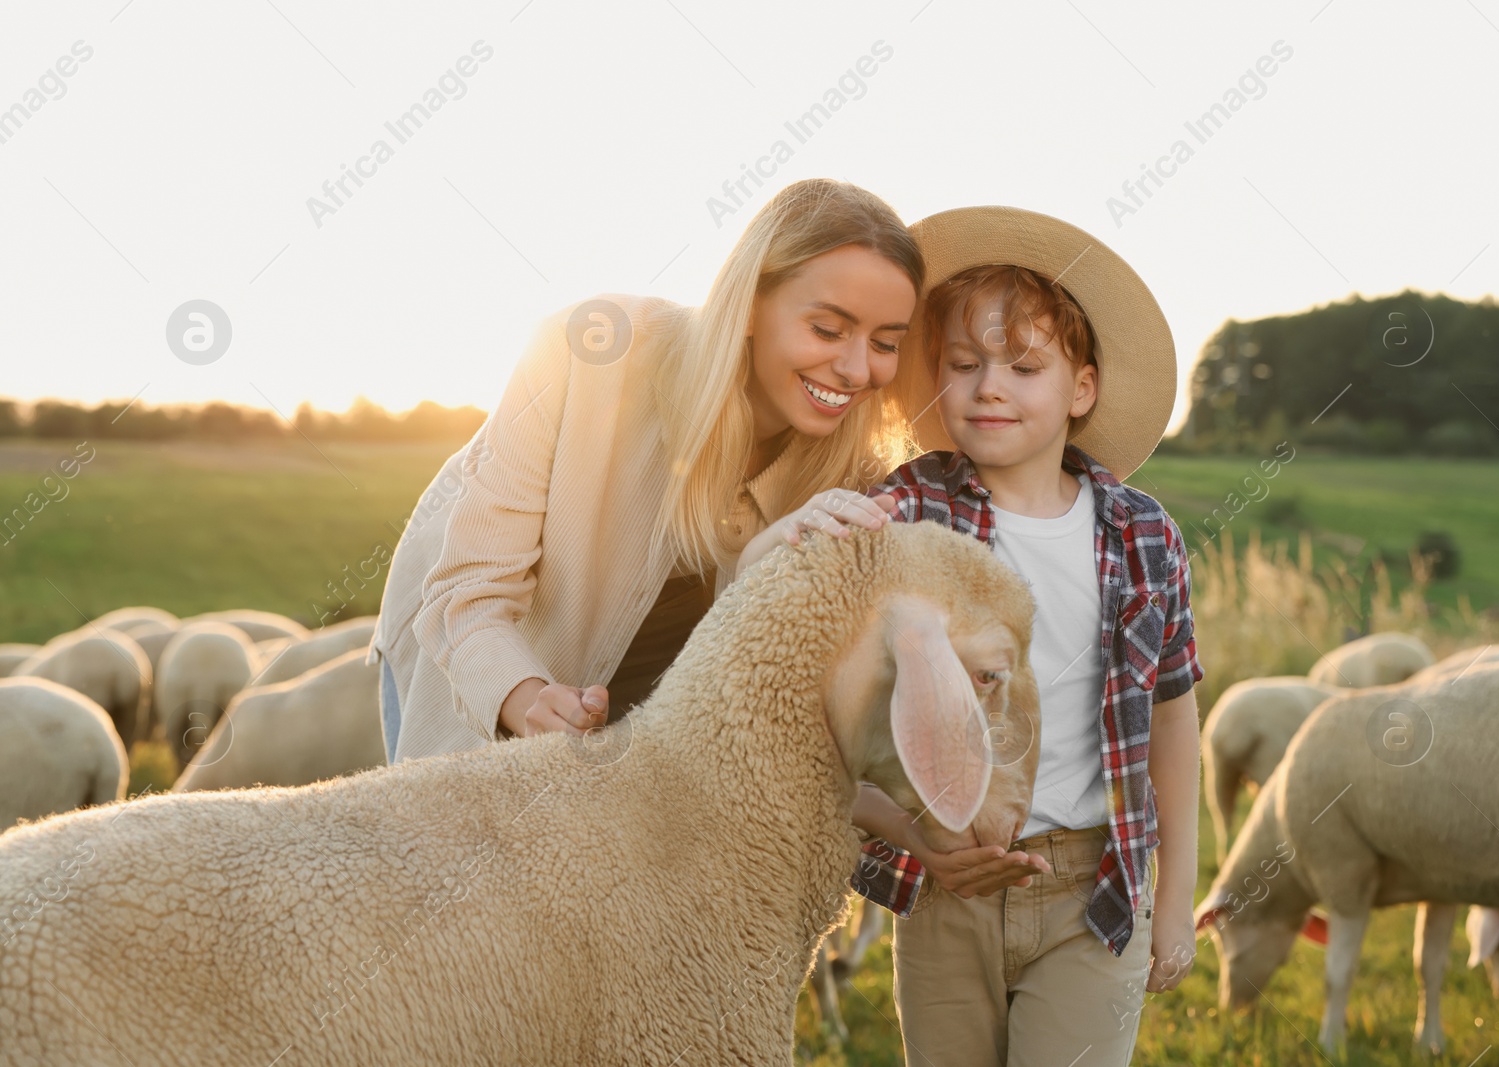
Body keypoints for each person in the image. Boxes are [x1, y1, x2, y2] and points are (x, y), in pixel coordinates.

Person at [366, 178, 1043, 909]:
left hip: (642, 718)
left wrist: (920, 833)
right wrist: (526, 697)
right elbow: (465, 594)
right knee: (447, 910)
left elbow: (795, 716)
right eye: (826, 328)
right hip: (471, 662)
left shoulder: (856, 477)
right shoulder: (589, 355)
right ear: (751, 303)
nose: (855, 370)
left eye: (885, 344)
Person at [735, 206, 1204, 1066]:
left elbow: (1173, 719)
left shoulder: (1145, 537)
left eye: (1024, 366)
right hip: (949, 881)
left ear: (1083, 388)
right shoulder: (907, 513)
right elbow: (803, 650)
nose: (989, 385)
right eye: (963, 364)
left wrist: (1175, 899)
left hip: (1094, 886)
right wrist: (787, 537)